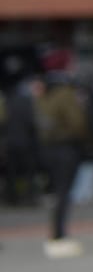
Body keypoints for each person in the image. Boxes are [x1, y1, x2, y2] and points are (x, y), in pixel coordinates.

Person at [34, 61, 88, 259]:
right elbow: (78, 123)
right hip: (66, 148)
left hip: (47, 149)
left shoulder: (43, 97)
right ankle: (59, 233)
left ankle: (56, 232)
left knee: (57, 192)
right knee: (64, 193)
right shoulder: (66, 95)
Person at [2, 72, 41, 206]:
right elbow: (31, 122)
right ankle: (30, 197)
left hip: (11, 141)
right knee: (29, 171)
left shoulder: (9, 99)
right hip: (26, 141)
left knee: (11, 172)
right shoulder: (28, 101)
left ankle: (11, 197)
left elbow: (4, 121)